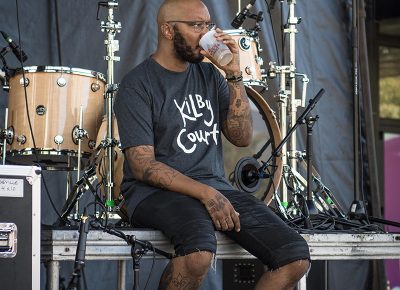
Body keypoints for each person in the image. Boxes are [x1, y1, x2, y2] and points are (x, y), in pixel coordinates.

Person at [114, 0, 310, 289]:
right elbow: (143, 166)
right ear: (168, 30)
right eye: (196, 25)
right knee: (198, 254)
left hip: (214, 186)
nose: (207, 34)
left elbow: (241, 137)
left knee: (294, 256)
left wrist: (233, 73)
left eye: (208, 25)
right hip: (153, 193)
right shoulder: (137, 84)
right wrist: (206, 193)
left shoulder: (209, 76)